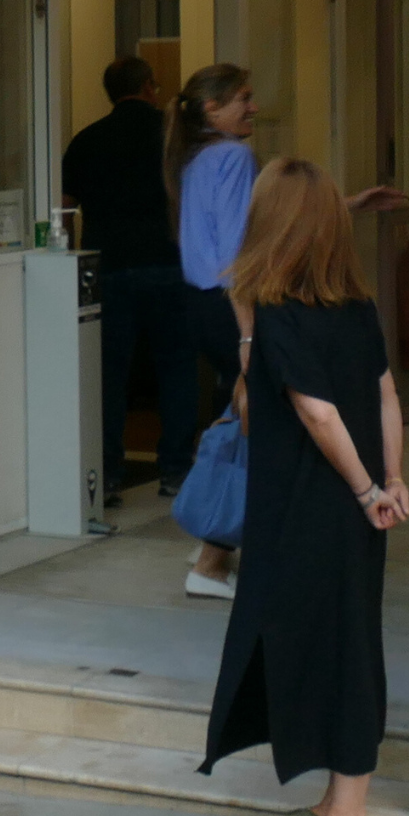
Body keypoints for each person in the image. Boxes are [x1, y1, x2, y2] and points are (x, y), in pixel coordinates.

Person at [199, 157, 409, 816]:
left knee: (340, 648)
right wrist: (390, 478)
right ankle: (332, 800)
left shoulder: (283, 315)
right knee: (338, 638)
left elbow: (308, 413)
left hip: (313, 506)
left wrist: (361, 488)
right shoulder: (354, 305)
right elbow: (383, 393)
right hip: (350, 507)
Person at [56, 55, 185, 521]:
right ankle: (174, 470)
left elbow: (64, 208)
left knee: (110, 374)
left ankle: (107, 474)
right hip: (168, 263)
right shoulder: (172, 135)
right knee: (176, 369)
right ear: (151, 87)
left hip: (108, 266)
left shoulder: (88, 139)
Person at [166, 62, 261, 600]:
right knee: (248, 424)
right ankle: (211, 559)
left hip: (201, 307)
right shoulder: (234, 156)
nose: (252, 107)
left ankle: (212, 538)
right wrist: (249, 335)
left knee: (236, 418)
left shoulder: (195, 158)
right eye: (242, 98)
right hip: (232, 310)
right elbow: (236, 255)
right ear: (212, 108)